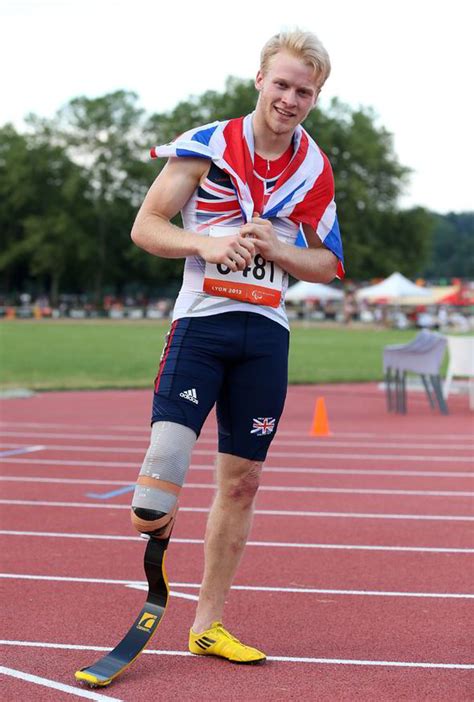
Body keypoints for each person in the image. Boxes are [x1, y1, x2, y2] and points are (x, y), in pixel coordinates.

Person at [130, 29, 344, 664]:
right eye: (281, 84)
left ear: (316, 97)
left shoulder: (313, 168)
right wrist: (208, 244)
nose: (290, 99)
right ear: (259, 79)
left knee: (244, 481)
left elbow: (329, 263)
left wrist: (280, 250)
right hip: (201, 326)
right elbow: (146, 226)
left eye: (304, 91)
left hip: (266, 337)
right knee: (152, 494)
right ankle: (157, 533)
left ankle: (208, 624)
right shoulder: (206, 146)